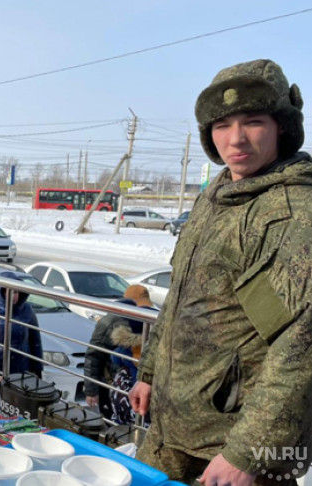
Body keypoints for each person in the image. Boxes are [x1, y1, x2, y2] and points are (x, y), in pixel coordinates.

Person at [130, 59, 312, 486]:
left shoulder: (290, 213)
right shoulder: (216, 196)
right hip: (173, 430)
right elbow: (180, 299)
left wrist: (247, 454)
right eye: (221, 125)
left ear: (281, 126)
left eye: (253, 121)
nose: (236, 139)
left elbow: (300, 345)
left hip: (227, 450)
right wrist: (151, 373)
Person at [83, 284, 153, 419]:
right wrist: (92, 391)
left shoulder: (152, 318)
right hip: (111, 385)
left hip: (136, 387)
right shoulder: (111, 321)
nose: (144, 309)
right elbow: (94, 356)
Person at [0, 272, 43, 376]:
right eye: (9, 292)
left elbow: (35, 341)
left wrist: (38, 368)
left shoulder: (28, 310)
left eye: (16, 292)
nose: (13, 296)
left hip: (22, 368)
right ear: (2, 292)